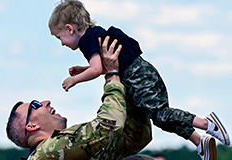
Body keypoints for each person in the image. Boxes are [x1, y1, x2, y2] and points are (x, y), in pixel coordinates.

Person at [48, 0, 230, 160]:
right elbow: (107, 65)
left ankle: (207, 123)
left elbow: (97, 69)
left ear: (70, 29)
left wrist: (76, 80)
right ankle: (199, 142)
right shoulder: (95, 34)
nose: (62, 43)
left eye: (59, 37)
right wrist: (83, 69)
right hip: (141, 73)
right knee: (160, 118)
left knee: (161, 114)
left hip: (138, 78)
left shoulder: (86, 41)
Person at [6, 37, 153, 159]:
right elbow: (109, 126)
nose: (46, 102)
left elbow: (135, 138)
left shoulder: (68, 153)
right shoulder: (47, 152)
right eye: (36, 105)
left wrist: (124, 76)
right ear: (32, 126)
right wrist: (112, 75)